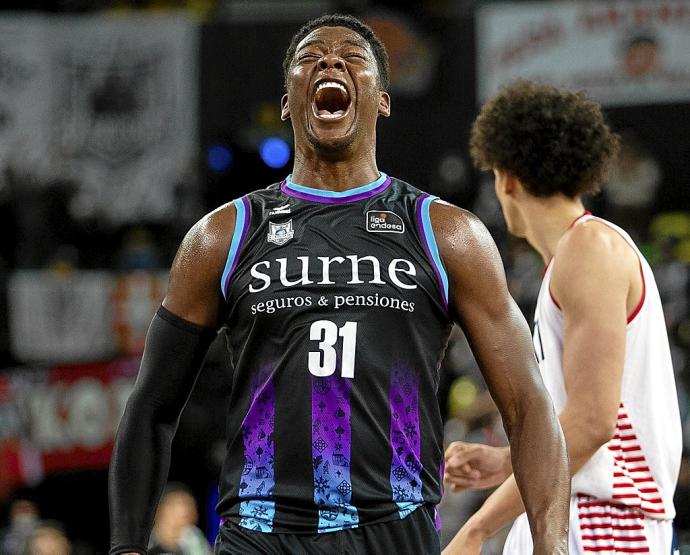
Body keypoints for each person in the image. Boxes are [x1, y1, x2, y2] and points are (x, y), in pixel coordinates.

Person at [109, 15, 569, 555]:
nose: (330, 62)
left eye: (353, 58)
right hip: (259, 534)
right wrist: (126, 549)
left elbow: (528, 406)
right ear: (288, 102)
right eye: (311, 58)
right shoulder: (223, 236)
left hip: (392, 530)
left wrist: (552, 548)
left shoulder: (446, 234)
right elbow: (151, 408)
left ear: (382, 100)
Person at [444, 80, 682, 554]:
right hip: (575, 510)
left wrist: (476, 528)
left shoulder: (588, 249)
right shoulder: (576, 256)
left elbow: (593, 423)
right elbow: (579, 427)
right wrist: (511, 460)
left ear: (506, 177)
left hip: (606, 524)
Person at [148, 483, 210, 555]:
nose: (188, 511)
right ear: (160, 511)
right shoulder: (145, 540)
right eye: (180, 504)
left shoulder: (194, 538)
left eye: (191, 506)